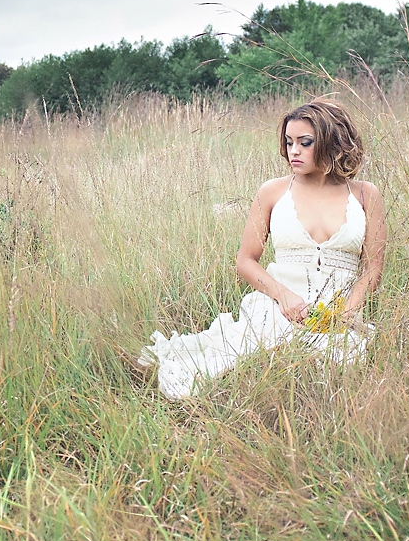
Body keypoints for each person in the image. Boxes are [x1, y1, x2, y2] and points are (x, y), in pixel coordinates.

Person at [137, 99, 387, 399]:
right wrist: (284, 297)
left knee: (334, 368)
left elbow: (373, 266)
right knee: (245, 360)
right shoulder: (273, 192)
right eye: (289, 142)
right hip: (278, 305)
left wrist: (348, 309)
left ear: (330, 142)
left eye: (304, 143)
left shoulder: (365, 194)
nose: (293, 150)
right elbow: (246, 261)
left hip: (337, 311)